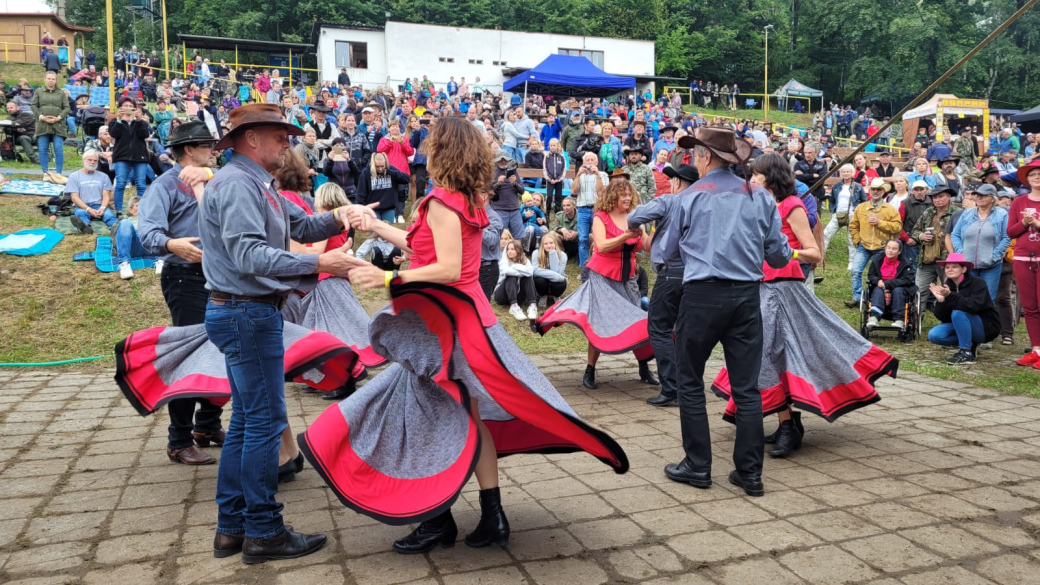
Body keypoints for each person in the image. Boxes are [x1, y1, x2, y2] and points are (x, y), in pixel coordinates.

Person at [305, 116, 627, 556]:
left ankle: (439, 520)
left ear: (442, 152)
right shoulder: (469, 201)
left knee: (427, 417)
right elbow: (426, 248)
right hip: (464, 322)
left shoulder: (441, 201)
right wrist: (376, 226)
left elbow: (449, 269)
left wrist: (387, 279)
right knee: (466, 417)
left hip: (445, 326)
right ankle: (491, 516)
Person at [198, 104, 358, 563]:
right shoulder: (238, 187)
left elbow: (300, 226)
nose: (289, 143)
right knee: (264, 424)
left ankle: (232, 529)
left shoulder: (254, 184)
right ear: (251, 139)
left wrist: (342, 216)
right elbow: (250, 256)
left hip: (244, 312)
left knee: (249, 422)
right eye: (280, 135)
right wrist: (318, 262)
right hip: (247, 313)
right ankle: (264, 531)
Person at [711, 153, 894, 458]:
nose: (752, 179)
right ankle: (788, 422)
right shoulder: (760, 205)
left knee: (767, 352)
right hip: (758, 288)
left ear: (770, 175)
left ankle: (788, 425)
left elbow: (813, 253)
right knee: (769, 355)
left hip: (783, 289)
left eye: (756, 174)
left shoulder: (791, 205)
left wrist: (786, 252)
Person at [652, 127, 794, 497]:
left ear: (706, 157)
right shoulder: (761, 197)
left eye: (695, 155)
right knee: (747, 389)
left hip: (701, 296)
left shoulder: (689, 197)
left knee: (689, 381)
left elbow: (666, 252)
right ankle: (750, 474)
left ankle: (698, 465)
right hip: (747, 298)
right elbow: (778, 255)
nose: (693, 161)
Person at [536, 176, 658, 389]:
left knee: (637, 320)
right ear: (613, 196)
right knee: (599, 323)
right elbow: (601, 246)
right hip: (601, 276)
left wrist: (657, 232)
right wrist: (627, 235)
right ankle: (590, 370)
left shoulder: (635, 217)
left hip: (628, 277)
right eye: (624, 195)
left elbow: (645, 246)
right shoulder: (601, 217)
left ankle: (643, 368)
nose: (628, 198)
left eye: (630, 195)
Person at [626, 163, 700, 408]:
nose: (670, 183)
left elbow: (634, 216)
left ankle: (671, 388)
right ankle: (686, 385)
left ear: (678, 182)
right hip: (696, 275)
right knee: (682, 331)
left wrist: (637, 226)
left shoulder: (669, 200)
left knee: (659, 329)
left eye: (673, 179)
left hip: (671, 275)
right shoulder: (703, 203)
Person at [927, 254, 1000, 364]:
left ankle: (966, 352)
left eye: (954, 267)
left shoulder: (978, 283)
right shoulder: (947, 286)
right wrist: (941, 300)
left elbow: (973, 306)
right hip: (961, 324)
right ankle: (970, 343)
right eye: (947, 267)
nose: (950, 269)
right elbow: (943, 317)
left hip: (985, 327)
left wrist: (950, 296)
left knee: (958, 312)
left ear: (964, 269)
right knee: (934, 335)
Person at [846, 178, 902, 308]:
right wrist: (857, 240)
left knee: (880, 275)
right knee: (855, 271)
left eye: (879, 189)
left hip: (882, 247)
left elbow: (897, 227)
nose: (875, 191)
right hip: (864, 246)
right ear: (870, 191)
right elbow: (853, 225)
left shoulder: (890, 209)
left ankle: (879, 297)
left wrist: (880, 223)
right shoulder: (861, 208)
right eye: (873, 189)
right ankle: (857, 297)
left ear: (883, 192)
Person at [951, 183, 1010, 302]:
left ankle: (987, 321)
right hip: (969, 265)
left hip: (991, 265)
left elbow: (1007, 237)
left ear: (993, 198)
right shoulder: (966, 214)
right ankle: (969, 321)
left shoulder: (1002, 214)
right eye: (977, 195)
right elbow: (955, 235)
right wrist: (961, 252)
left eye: (983, 195)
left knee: (988, 299)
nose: (979, 197)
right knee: (967, 297)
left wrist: (994, 256)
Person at [1009, 160, 1040, 368]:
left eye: (1039, 174)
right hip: (1022, 257)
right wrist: (1024, 223)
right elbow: (1010, 232)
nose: (1037, 177)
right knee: (1029, 307)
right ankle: (1036, 349)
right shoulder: (1018, 202)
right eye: (1033, 174)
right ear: (1027, 179)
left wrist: (1037, 223)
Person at [911, 185, 957, 309]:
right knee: (919, 292)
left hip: (947, 261)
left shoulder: (957, 213)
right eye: (934, 197)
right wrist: (921, 236)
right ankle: (916, 324)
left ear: (949, 196)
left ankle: (949, 322)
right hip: (926, 260)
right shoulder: (928, 212)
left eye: (941, 196)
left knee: (950, 292)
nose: (937, 200)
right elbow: (914, 231)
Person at [109, 97, 152, 215]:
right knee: (120, 183)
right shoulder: (115, 121)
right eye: (125, 106)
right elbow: (113, 134)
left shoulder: (140, 122)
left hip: (140, 156)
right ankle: (119, 210)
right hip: (122, 156)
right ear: (120, 108)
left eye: (130, 106)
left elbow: (145, 134)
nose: (128, 108)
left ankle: (141, 210)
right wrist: (118, 119)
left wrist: (139, 121)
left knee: (141, 184)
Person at [571, 152, 610, 270]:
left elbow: (602, 193)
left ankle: (599, 263)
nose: (589, 162)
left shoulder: (603, 175)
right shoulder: (580, 175)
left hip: (597, 210)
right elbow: (573, 191)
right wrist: (577, 175)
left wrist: (597, 175)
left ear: (597, 162)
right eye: (587, 160)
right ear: (583, 162)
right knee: (583, 238)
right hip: (582, 209)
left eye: (592, 160)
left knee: (598, 237)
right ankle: (584, 266)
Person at [866, 239, 916, 329]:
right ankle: (874, 317)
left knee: (898, 291)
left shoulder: (906, 263)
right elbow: (871, 275)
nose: (890, 251)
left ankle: (899, 319)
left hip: (898, 289)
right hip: (880, 287)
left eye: (894, 249)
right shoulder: (877, 260)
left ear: (899, 251)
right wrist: (878, 281)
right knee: (878, 289)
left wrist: (888, 284)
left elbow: (907, 279)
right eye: (888, 248)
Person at [65, 150, 117, 235]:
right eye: (90, 160)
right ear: (83, 160)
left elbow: (106, 195)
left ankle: (116, 228)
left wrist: (102, 208)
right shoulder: (74, 176)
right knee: (82, 214)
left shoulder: (104, 176)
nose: (92, 162)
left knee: (109, 215)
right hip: (81, 206)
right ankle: (85, 227)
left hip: (99, 205)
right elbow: (74, 197)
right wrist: (88, 209)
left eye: (95, 160)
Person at [31, 71, 69, 176]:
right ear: (45, 79)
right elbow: (33, 106)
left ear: (56, 80)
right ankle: (45, 173)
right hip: (43, 124)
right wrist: (41, 117)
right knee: (42, 148)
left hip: (58, 125)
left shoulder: (61, 93)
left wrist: (58, 118)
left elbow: (67, 108)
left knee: (58, 148)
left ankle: (58, 173)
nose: (51, 81)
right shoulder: (39, 91)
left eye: (53, 79)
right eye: (49, 78)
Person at [356, 152, 411, 223]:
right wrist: (360, 208)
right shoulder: (366, 172)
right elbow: (361, 192)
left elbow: (406, 179)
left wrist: (390, 172)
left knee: (388, 232)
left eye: (382, 166)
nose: (380, 169)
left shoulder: (391, 170)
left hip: (388, 208)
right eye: (377, 166)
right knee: (375, 233)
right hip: (373, 209)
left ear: (385, 163)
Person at [494, 239, 538, 320]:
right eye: (508, 249)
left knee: (527, 277)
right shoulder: (503, 261)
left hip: (518, 294)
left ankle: (532, 305)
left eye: (512, 249)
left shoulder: (525, 260)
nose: (509, 251)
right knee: (511, 276)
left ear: (518, 250)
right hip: (502, 295)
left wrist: (515, 266)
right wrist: (522, 271)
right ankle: (514, 306)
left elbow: (530, 272)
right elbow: (506, 271)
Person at [489, 149, 526, 237]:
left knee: (519, 237)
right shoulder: (491, 173)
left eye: (505, 159)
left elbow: (522, 191)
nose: (503, 161)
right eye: (500, 160)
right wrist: (498, 184)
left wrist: (514, 184)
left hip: (515, 209)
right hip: (499, 209)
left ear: (508, 160)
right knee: (500, 237)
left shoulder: (514, 172)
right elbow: (488, 192)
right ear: (496, 161)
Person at [532, 232, 568, 307]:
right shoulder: (536, 253)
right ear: (542, 245)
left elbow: (559, 273)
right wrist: (554, 275)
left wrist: (553, 254)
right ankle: (543, 295)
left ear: (555, 243)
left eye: (551, 243)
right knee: (539, 280)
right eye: (546, 244)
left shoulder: (563, 255)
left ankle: (556, 296)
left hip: (555, 282)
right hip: (543, 281)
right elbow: (534, 271)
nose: (549, 246)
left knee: (560, 282)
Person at [478, 206, 504, 299]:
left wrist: (477, 224)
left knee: (482, 306)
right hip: (471, 267)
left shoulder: (493, 217)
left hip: (486, 269)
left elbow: (492, 240)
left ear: (484, 195)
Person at [5, 100, 38, 164]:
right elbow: (6, 130)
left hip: (31, 136)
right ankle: (15, 157)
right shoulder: (9, 118)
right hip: (17, 137)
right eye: (8, 108)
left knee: (25, 138)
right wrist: (16, 129)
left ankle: (40, 159)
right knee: (6, 141)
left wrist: (12, 125)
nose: (9, 109)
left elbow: (21, 123)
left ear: (17, 108)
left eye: (11, 107)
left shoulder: (26, 115)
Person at [543, 138, 567, 217]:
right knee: (549, 196)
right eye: (551, 145)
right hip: (550, 181)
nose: (552, 147)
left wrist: (558, 179)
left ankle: (558, 214)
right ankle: (547, 212)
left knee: (558, 197)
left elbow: (563, 169)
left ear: (557, 146)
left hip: (558, 181)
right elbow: (545, 168)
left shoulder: (561, 156)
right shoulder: (547, 156)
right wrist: (550, 178)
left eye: (554, 145)